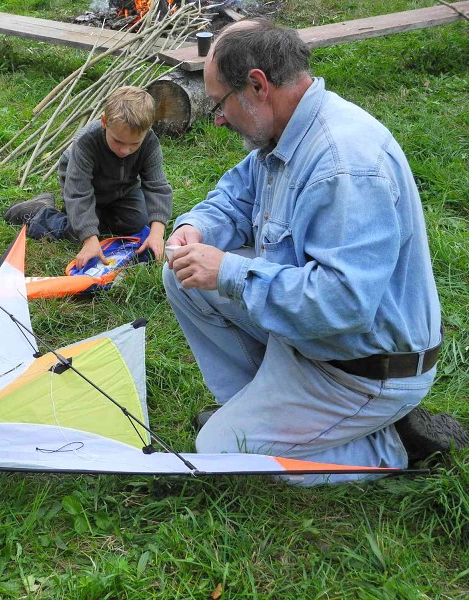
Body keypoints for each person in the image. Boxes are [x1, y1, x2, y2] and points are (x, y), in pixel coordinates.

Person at [163, 19, 467, 484]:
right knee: (182, 273)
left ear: (258, 85)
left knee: (223, 453)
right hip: (318, 341)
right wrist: (196, 227)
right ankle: (260, 410)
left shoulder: (346, 166)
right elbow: (236, 196)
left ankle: (386, 444)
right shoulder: (284, 132)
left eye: (219, 102)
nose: (218, 117)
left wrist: (228, 271)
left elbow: (343, 304)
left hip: (365, 370)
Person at [3, 86, 173, 268]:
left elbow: (156, 186)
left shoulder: (149, 142)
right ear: (104, 122)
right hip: (84, 185)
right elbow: (78, 192)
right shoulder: (86, 142)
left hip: (123, 189)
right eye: (117, 141)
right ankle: (39, 212)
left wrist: (156, 233)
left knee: (138, 223)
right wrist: (89, 238)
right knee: (77, 233)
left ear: (147, 130)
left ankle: (98, 216)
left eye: (134, 144)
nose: (125, 150)